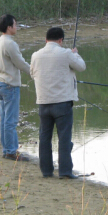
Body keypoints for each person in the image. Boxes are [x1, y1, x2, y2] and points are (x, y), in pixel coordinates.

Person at [30, 27, 86, 179]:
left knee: (44, 138)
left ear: (46, 39)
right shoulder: (66, 53)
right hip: (62, 103)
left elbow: (32, 73)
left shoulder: (35, 55)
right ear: (60, 40)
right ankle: (65, 171)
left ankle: (46, 171)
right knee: (64, 138)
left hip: (43, 102)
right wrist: (76, 54)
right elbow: (81, 66)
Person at [0, 14, 31, 162]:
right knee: (11, 121)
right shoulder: (10, 43)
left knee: (4, 120)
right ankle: (10, 151)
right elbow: (21, 63)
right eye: (15, 25)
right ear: (9, 27)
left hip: (1, 84)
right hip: (10, 85)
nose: (16, 27)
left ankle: (7, 149)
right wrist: (35, 73)